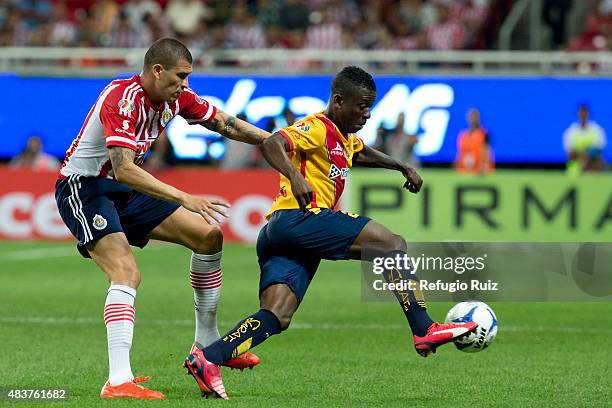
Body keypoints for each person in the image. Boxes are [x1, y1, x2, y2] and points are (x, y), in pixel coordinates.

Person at [183, 66, 478, 400]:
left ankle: (209, 357)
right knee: (392, 244)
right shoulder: (316, 126)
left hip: (281, 234)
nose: (367, 114)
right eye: (361, 106)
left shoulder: (344, 137)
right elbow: (273, 143)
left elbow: (360, 150)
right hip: (301, 218)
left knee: (277, 315)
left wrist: (401, 165)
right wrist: (294, 175)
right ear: (338, 101)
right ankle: (424, 328)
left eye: (370, 107)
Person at [54, 38, 269, 400]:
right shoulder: (122, 99)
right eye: (180, 76)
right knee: (126, 273)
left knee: (208, 236)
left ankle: (206, 343)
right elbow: (123, 169)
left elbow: (224, 123)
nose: (186, 84)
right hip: (85, 188)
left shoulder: (176, 98)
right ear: (157, 71)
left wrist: (279, 141)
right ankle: (118, 380)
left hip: (123, 190)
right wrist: (185, 196)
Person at [563, 104, 606, 174]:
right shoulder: (571, 131)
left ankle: (591, 172)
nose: (583, 115)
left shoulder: (597, 130)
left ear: (588, 114)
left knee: (598, 159)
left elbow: (600, 148)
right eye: (581, 112)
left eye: (585, 112)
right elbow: (570, 153)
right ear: (578, 114)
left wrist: (588, 154)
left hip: (593, 165)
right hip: (575, 170)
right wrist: (582, 155)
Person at [454, 108, 494, 174]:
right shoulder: (463, 135)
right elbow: (460, 153)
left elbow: (486, 151)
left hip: (479, 171)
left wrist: (483, 167)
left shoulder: (484, 134)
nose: (472, 118)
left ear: (478, 117)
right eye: (470, 116)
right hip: (464, 171)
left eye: (474, 116)